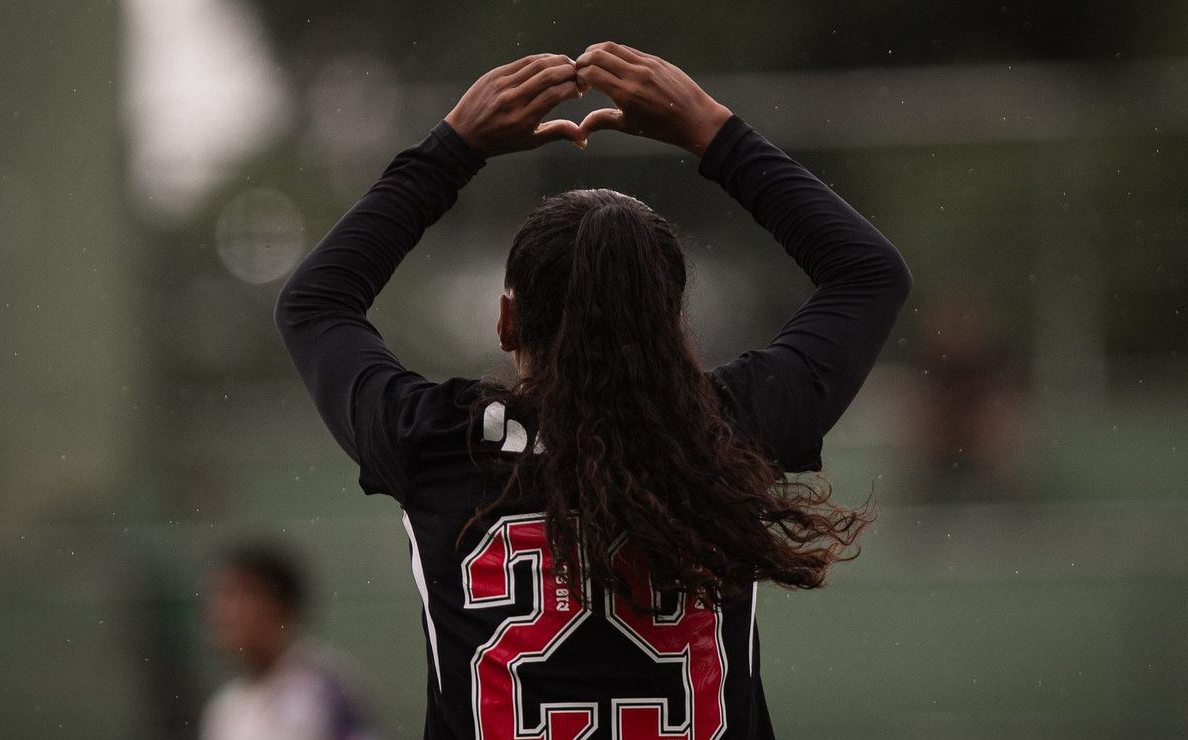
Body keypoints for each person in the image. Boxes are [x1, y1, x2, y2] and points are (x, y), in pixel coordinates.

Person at [275, 42, 911, 739]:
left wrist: (450, 151)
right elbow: (868, 275)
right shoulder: (728, 428)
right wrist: (713, 132)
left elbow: (317, 303)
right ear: (669, 325)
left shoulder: (437, 439)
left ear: (507, 320)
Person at [200, 545, 380, 740]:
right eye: (221, 597)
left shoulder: (322, 689)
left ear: (281, 605)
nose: (226, 613)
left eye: (242, 595)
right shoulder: (225, 707)